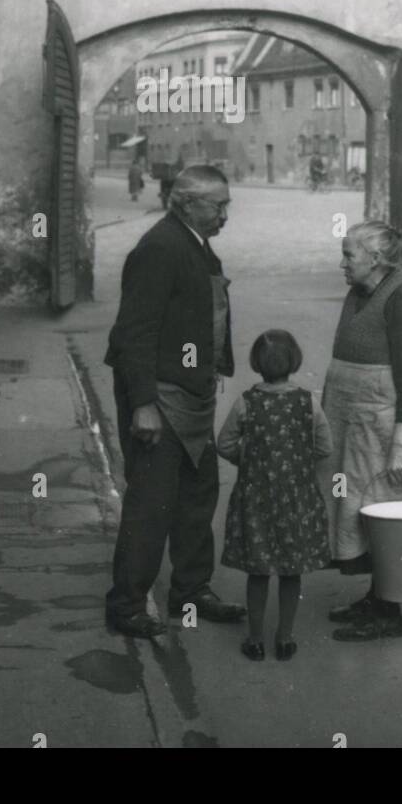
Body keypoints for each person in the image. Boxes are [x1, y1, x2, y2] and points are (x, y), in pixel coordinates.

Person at [104, 165, 246, 638]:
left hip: (190, 397)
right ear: (185, 202)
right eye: (217, 205)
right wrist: (143, 404)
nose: (226, 213)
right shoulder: (160, 249)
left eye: (226, 204)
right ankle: (126, 607)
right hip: (159, 399)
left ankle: (191, 591)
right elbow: (134, 333)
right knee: (152, 502)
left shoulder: (197, 247)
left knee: (196, 496)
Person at [321, 220, 402, 642]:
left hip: (387, 428)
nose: (342, 263)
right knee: (360, 511)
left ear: (375, 258)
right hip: (356, 426)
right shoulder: (360, 291)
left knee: (388, 516)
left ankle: (390, 615)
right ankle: (376, 598)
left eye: (349, 254)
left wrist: (399, 448)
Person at [217, 330, 333, 661]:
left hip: (256, 500)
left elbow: (224, 443)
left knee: (258, 569)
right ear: (294, 361)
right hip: (296, 500)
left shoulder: (246, 402)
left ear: (256, 363)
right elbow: (325, 446)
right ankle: (285, 638)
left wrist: (250, 460)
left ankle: (254, 639)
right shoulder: (307, 402)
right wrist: (296, 462)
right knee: (290, 570)